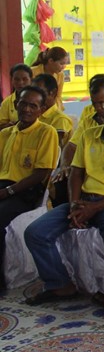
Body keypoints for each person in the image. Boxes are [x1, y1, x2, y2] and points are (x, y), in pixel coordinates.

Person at [24, 86, 104, 307]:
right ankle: (60, 284)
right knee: (35, 232)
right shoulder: (89, 134)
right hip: (84, 199)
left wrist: (96, 208)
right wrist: (74, 204)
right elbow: (76, 172)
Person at [0, 86, 59, 284]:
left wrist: (8, 191)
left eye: (33, 106)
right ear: (16, 104)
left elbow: (41, 173)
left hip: (25, 190)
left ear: (41, 110)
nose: (27, 109)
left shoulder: (46, 132)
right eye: (23, 103)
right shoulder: (5, 133)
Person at [49, 76, 104, 207]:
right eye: (94, 103)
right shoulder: (89, 120)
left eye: (103, 103)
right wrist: (65, 166)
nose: (98, 108)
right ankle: (72, 212)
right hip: (85, 169)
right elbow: (71, 146)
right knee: (60, 182)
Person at [33, 73, 73, 147]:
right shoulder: (33, 115)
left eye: (40, 93)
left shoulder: (60, 120)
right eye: (34, 93)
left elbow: (53, 148)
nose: (35, 97)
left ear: (53, 93)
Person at [0, 63, 34, 129]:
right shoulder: (7, 102)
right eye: (16, 79)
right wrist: (9, 126)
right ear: (12, 80)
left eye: (25, 79)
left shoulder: (38, 100)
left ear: (31, 80)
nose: (20, 83)